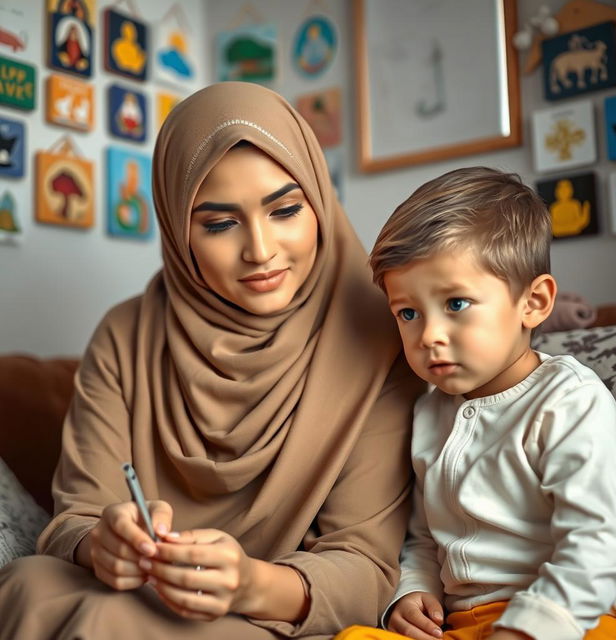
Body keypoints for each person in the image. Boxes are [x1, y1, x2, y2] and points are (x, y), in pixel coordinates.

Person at [0, 82, 423, 640]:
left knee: (97, 620)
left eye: (286, 210)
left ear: (320, 201)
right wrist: (101, 544)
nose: (260, 249)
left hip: (269, 613)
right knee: (25, 584)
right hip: (136, 594)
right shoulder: (126, 334)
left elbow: (365, 569)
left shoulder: (379, 335)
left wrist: (249, 583)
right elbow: (74, 517)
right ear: (179, 232)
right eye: (219, 224)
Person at [335, 167, 616, 640]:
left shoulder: (568, 402)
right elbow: (422, 537)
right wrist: (411, 591)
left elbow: (596, 543)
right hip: (466, 623)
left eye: (456, 304)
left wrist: (527, 629)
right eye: (408, 313)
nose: (429, 336)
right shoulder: (427, 413)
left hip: (582, 613)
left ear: (533, 303)